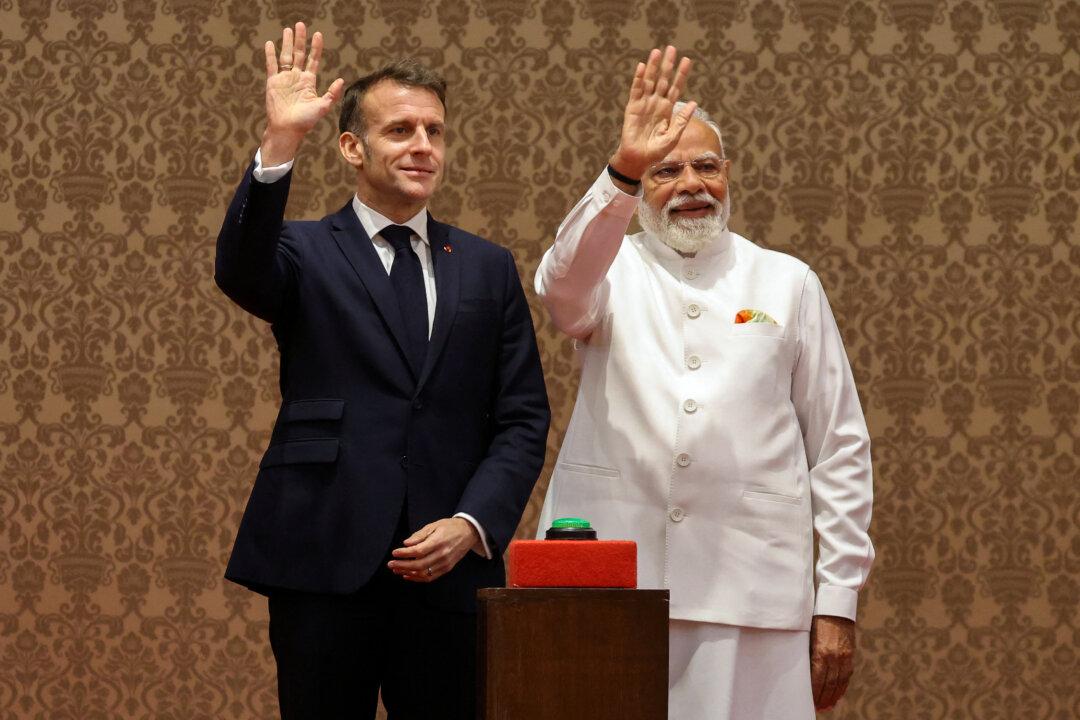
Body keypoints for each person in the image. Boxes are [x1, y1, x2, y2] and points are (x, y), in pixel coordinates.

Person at [215, 23, 550, 720]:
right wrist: (280, 144)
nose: (423, 145)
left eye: (435, 130)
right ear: (351, 147)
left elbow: (522, 418)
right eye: (400, 130)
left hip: (449, 570)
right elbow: (241, 270)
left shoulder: (488, 266)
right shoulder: (304, 251)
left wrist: (472, 522)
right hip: (322, 554)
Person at [536, 46, 874, 719]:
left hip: (750, 589)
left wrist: (838, 600)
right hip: (615, 578)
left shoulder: (787, 281)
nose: (691, 182)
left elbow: (839, 448)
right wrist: (620, 173)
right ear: (638, 186)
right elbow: (559, 286)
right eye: (665, 170)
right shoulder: (608, 268)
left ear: (729, 175)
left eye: (706, 166)